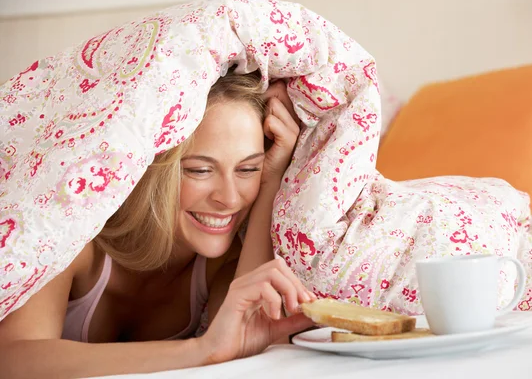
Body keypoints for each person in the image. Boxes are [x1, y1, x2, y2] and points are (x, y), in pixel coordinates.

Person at [0, 70, 317, 377]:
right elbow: (11, 360)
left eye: (247, 170)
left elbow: (241, 344)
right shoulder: (73, 237)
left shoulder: (226, 262)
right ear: (147, 167)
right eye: (199, 170)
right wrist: (199, 350)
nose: (230, 199)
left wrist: (271, 178)